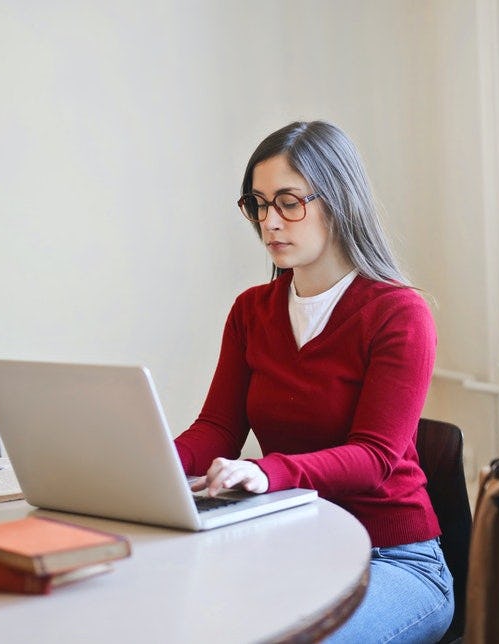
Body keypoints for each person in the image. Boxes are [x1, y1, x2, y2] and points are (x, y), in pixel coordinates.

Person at [174, 120, 453, 643]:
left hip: (393, 559)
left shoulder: (398, 313)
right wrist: (152, 464)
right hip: (291, 547)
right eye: (258, 204)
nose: (270, 222)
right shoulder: (250, 311)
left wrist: (267, 472)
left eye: (289, 202)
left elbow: (374, 457)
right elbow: (217, 428)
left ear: (339, 201)